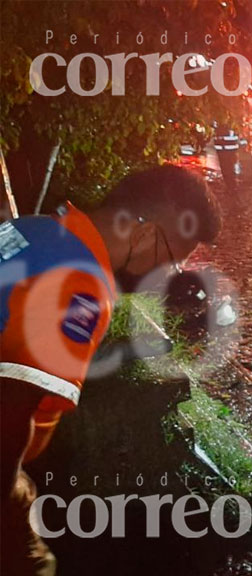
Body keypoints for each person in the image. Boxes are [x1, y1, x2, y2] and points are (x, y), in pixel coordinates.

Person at [0, 165, 220, 575]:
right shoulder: (81, 285)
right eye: (172, 261)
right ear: (145, 235)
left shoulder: (37, 228)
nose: (167, 276)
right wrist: (8, 499)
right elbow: (13, 398)